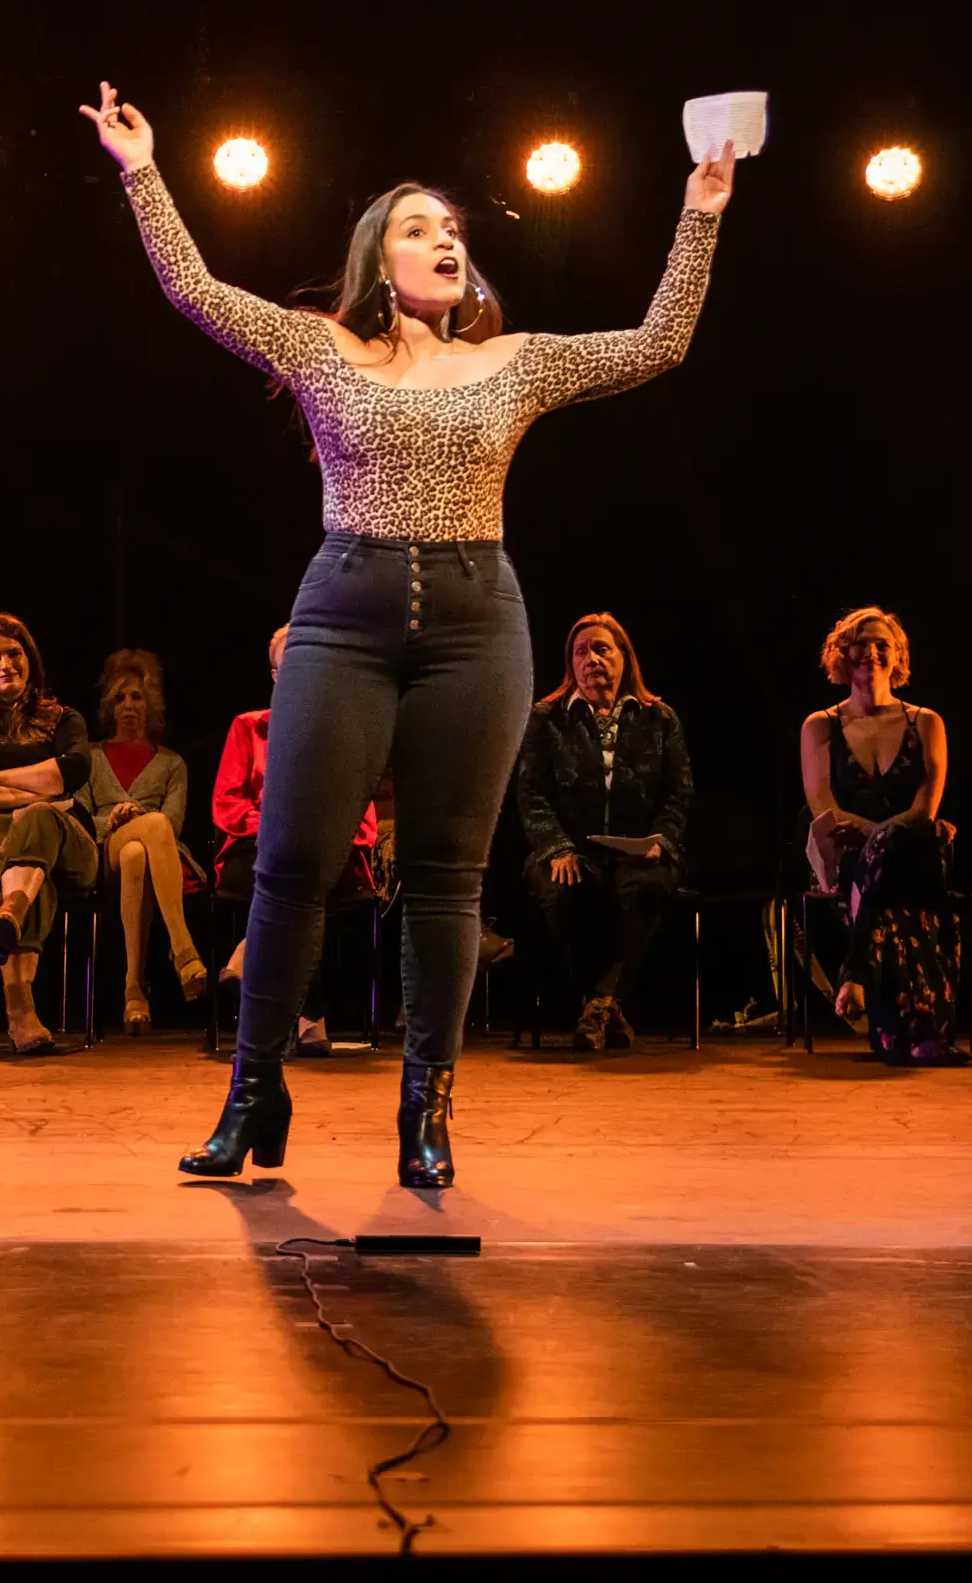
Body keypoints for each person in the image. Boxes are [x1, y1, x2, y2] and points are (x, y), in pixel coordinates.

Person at [84, 78, 734, 1186]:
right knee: (291, 864)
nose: (442, 241)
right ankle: (253, 1093)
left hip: (480, 625)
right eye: (416, 229)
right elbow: (195, 292)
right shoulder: (322, 349)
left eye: (452, 231)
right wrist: (144, 172)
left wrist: (702, 208)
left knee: (446, 877)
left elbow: (661, 341)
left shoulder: (517, 359)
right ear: (377, 261)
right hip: (344, 609)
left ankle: (427, 1107)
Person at [517, 613, 694, 1051]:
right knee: (563, 889)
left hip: (640, 851)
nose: (592, 659)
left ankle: (597, 1005)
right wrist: (556, 848)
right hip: (569, 847)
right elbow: (531, 792)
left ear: (624, 659)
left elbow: (678, 792)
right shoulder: (547, 717)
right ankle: (604, 1003)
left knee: (646, 888)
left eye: (602, 649)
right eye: (582, 652)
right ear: (571, 664)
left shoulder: (659, 718)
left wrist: (660, 841)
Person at [212, 625, 384, 1057]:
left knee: (307, 870)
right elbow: (226, 805)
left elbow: (364, 823)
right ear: (276, 676)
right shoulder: (247, 729)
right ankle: (311, 1017)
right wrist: (276, 827)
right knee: (299, 879)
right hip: (255, 851)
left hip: (327, 856)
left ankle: (246, 959)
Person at [798, 606, 957, 1065]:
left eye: (881, 643)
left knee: (903, 852)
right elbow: (824, 811)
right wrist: (882, 837)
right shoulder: (820, 725)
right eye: (859, 643)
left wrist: (874, 832)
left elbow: (924, 811)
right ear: (842, 655)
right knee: (897, 885)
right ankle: (920, 1026)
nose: (870, 651)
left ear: (898, 654)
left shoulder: (926, 722)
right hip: (851, 864)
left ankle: (856, 973)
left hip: (915, 857)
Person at [0, 613, 99, 1055]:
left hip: (65, 839)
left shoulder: (64, 719)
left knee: (37, 820)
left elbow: (73, 771)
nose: (5, 664)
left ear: (31, 659)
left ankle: (11, 912)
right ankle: (21, 1008)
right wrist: (38, 783)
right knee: (31, 876)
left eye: (15, 653)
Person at [73, 648, 210, 1033]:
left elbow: (175, 823)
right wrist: (113, 819)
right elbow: (80, 816)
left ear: (151, 705)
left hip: (154, 855)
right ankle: (182, 947)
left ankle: (134, 989)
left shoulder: (172, 763)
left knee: (139, 850)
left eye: (136, 697)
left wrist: (141, 821)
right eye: (120, 698)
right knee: (141, 834)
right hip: (102, 851)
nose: (129, 705)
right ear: (108, 707)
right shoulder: (90, 757)